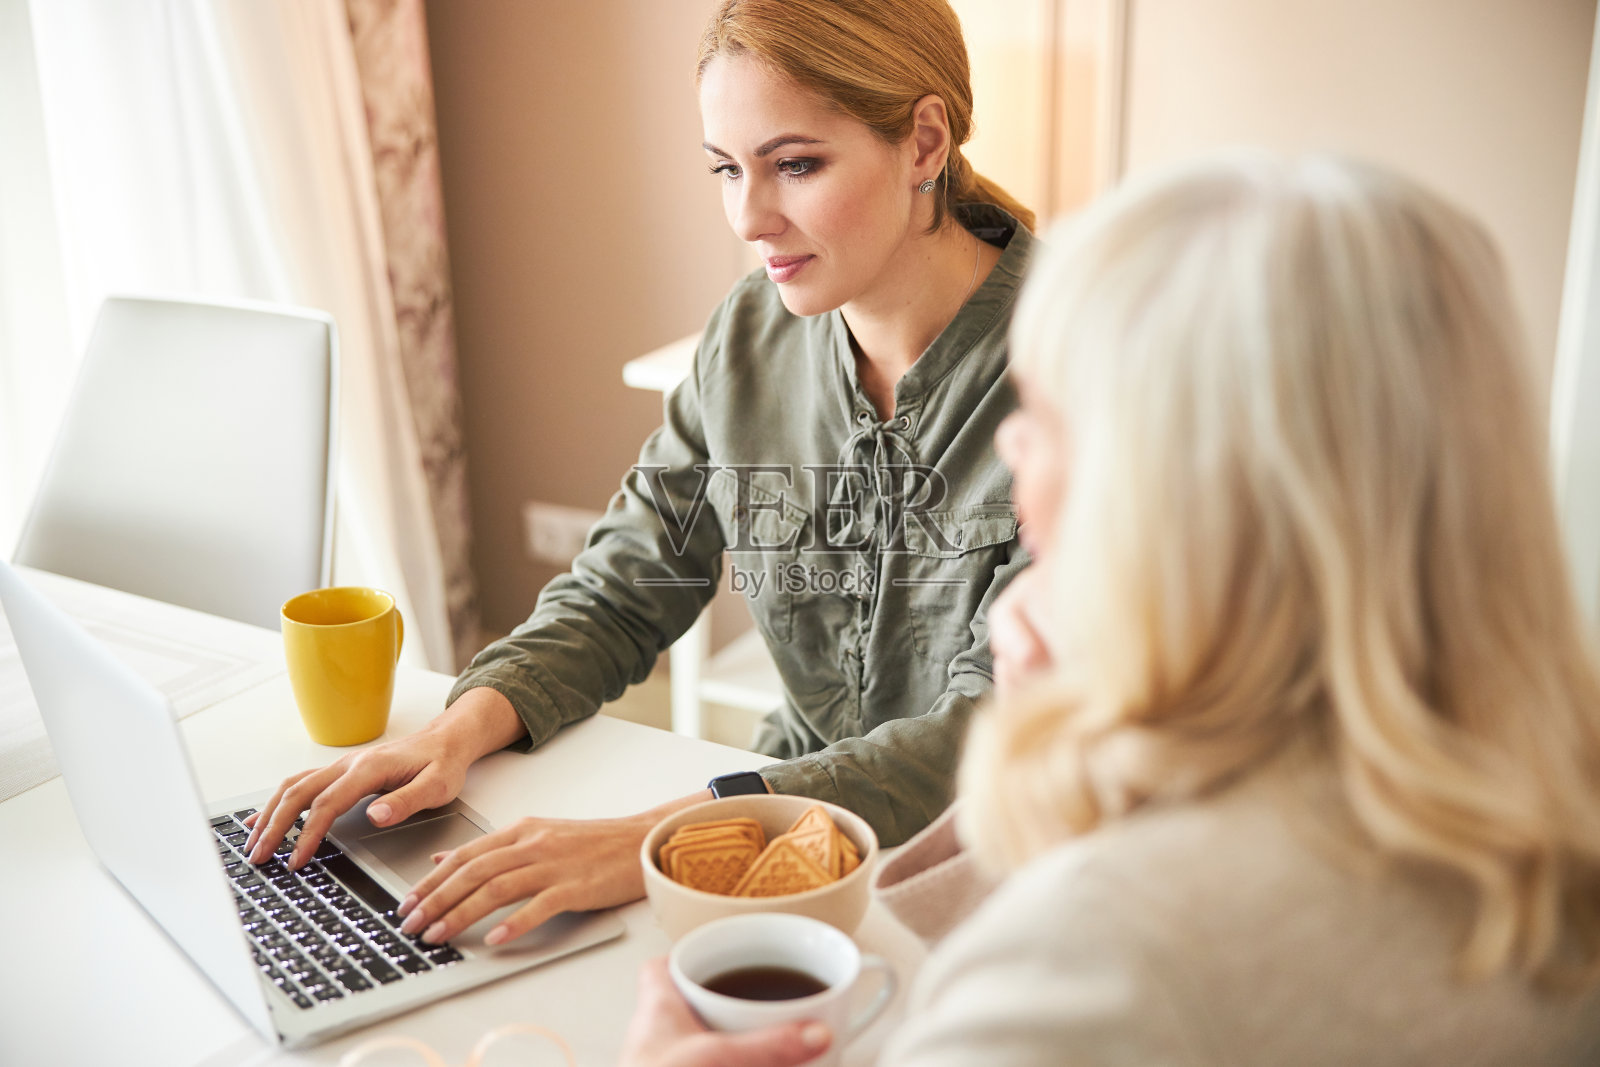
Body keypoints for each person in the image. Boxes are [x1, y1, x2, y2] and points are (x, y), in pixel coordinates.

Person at [618, 151, 1600, 1065]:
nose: (1010, 451)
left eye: (1045, 414)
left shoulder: (1100, 957)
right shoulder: (1550, 827)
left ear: (1187, 497)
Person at [245, 0, 1037, 950]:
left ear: (922, 140)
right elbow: (627, 585)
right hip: (776, 848)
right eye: (725, 168)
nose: (749, 217)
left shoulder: (1082, 370)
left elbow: (984, 733)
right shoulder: (749, 339)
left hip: (991, 876)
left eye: (796, 164)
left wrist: (661, 841)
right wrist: (453, 729)